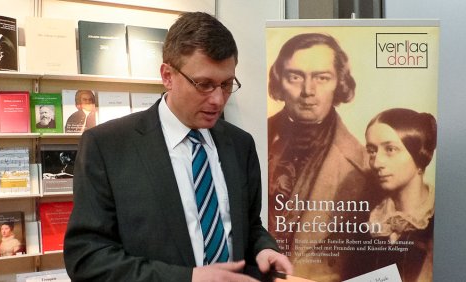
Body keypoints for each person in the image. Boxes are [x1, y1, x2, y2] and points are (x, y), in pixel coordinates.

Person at [64, 12, 293, 282]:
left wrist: (263, 248)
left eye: (227, 84)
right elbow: (87, 258)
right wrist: (188, 279)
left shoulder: (240, 145)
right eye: (204, 84)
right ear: (168, 75)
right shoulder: (107, 147)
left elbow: (249, 226)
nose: (218, 100)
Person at [267, 33, 370, 281]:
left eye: (322, 78)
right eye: (295, 77)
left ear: (340, 84)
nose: (308, 91)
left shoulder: (364, 166)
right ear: (280, 81)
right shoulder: (251, 141)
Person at [364, 108, 436, 282]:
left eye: (390, 149)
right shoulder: (369, 222)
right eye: (372, 151)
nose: (377, 162)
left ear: (418, 155)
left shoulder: (444, 219)